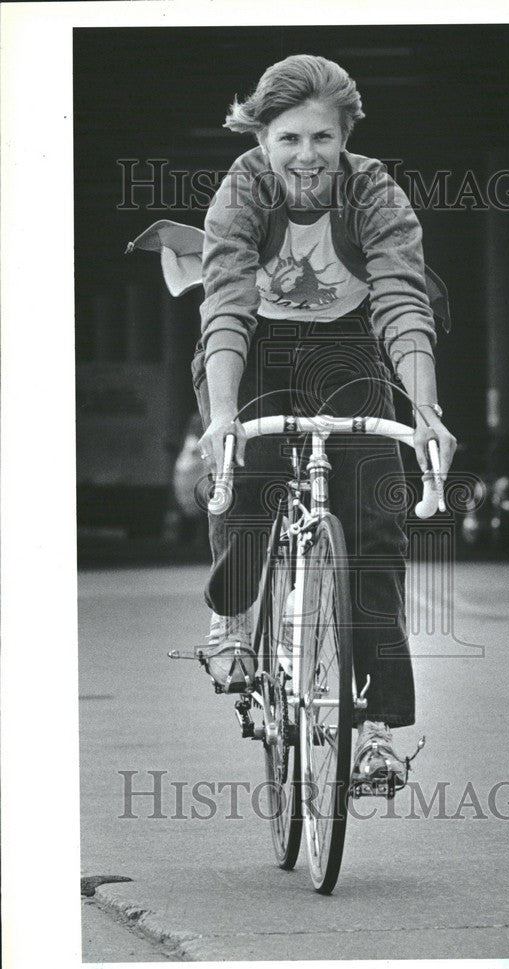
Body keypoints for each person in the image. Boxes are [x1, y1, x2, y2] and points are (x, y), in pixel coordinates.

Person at [193, 54, 456, 787]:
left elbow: (402, 302)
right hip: (255, 351)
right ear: (262, 139)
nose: (306, 157)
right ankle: (233, 619)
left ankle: (374, 731)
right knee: (249, 481)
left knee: (374, 530)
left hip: (348, 351)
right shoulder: (242, 190)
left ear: (345, 137)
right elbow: (225, 306)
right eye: (288, 140)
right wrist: (222, 419)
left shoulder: (373, 193)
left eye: (322, 138)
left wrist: (425, 411)